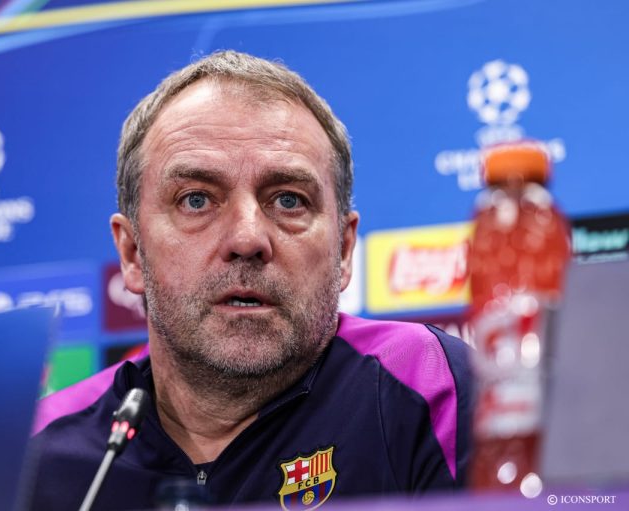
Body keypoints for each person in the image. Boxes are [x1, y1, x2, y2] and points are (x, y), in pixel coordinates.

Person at [28, 50, 472, 510]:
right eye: (196, 200)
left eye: (288, 200)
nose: (247, 238)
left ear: (342, 250)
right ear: (132, 253)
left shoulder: (429, 386)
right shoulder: (36, 453)